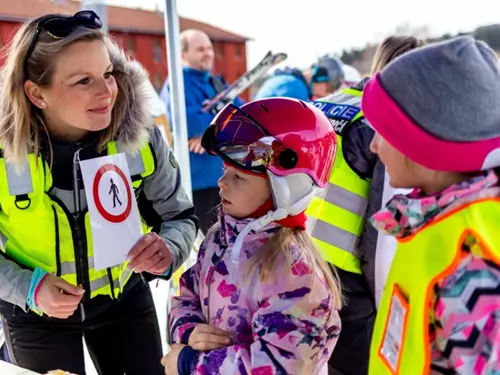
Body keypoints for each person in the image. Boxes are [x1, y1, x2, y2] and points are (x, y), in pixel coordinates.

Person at [0, 10, 196, 375]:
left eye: (108, 74)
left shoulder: (139, 137)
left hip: (124, 302)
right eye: (82, 81)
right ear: (36, 93)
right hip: (34, 313)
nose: (106, 92)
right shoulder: (2, 153)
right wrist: (30, 288)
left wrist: (169, 248)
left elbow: (180, 217)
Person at [162, 97, 342, 375]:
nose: (222, 182)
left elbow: (282, 366)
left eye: (239, 177)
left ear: (285, 187)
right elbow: (187, 292)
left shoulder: (292, 270)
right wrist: (189, 330)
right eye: (225, 170)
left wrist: (190, 365)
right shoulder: (219, 238)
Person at [364, 36, 500, 374]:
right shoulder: (430, 220)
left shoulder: (471, 268)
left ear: (423, 144)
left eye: (384, 132)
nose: (373, 146)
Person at [308, 35, 424, 375]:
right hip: (347, 279)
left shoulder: (324, 105)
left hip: (297, 257)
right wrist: (382, 297)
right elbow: (383, 225)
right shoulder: (385, 122)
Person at [161, 29, 244, 235]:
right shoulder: (178, 84)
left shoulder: (217, 83)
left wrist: (210, 137)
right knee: (210, 244)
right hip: (198, 184)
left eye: (209, 48)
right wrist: (210, 128)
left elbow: (243, 117)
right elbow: (190, 122)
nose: (207, 53)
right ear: (183, 55)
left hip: (227, 176)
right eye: (200, 49)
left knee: (232, 240)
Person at [254, 55, 344, 101]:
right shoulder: (296, 88)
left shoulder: (289, 80)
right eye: (330, 88)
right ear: (319, 76)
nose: (330, 94)